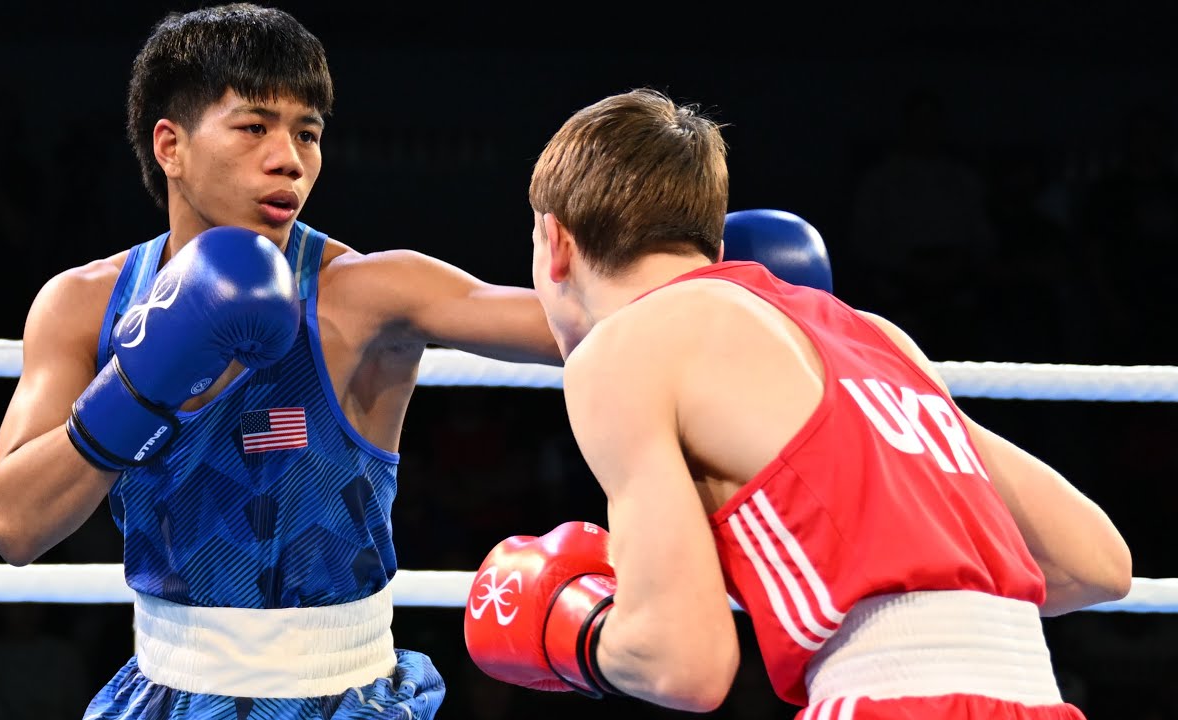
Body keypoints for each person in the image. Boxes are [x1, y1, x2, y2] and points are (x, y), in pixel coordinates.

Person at [461, 88, 1133, 719]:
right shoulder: (870, 334)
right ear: (715, 249)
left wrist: (569, 630)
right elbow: (1096, 564)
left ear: (557, 244)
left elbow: (682, 664)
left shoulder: (619, 352)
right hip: (1037, 699)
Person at [0, 4, 562, 719]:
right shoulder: (84, 305)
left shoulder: (368, 293)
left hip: (345, 695)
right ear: (171, 146)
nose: (289, 157)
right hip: (168, 690)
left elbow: (568, 328)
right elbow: (13, 526)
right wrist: (142, 387)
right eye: (255, 126)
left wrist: (703, 280)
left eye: (308, 133)